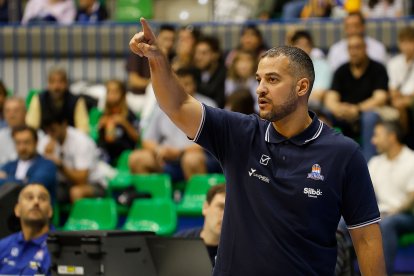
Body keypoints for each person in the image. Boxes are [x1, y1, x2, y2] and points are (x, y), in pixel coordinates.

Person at [129, 18, 385, 275]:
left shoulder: (343, 153)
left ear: (302, 87)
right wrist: (158, 61)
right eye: (259, 79)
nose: (260, 89)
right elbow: (178, 105)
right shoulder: (240, 134)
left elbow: (366, 238)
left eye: (272, 80)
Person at [128, 67, 219, 182]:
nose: (182, 87)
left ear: (195, 85)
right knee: (137, 158)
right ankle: (153, 198)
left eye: (187, 84)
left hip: (201, 158)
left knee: (191, 159)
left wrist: (180, 153)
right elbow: (147, 140)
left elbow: (211, 141)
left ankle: (197, 198)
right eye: (178, 83)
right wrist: (159, 150)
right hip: (167, 160)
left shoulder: (208, 105)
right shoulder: (162, 105)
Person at [325, 34, 388, 161]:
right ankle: (330, 160)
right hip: (344, 114)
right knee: (324, 114)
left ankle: (369, 164)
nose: (354, 52)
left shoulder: (377, 68)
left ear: (365, 48)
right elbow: (330, 97)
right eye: (350, 48)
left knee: (370, 117)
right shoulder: (341, 70)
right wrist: (338, 108)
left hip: (366, 113)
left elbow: (380, 98)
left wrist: (357, 109)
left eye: (357, 48)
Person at [369, 120, 414, 275]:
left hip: (405, 215)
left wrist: (391, 212)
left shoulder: (411, 160)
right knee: (342, 222)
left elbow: (411, 198)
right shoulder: (375, 162)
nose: (372, 141)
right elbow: (364, 193)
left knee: (386, 224)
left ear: (392, 137)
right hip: (379, 214)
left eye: (377, 135)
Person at [38, 115, 106, 203]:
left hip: (93, 183)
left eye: (53, 129)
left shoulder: (81, 141)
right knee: (42, 191)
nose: (51, 134)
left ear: (64, 124)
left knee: (76, 192)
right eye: (47, 131)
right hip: (65, 184)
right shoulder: (46, 141)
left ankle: (78, 217)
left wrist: (60, 166)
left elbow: (82, 179)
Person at [0, 184, 52, 275]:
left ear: (50, 211)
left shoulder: (61, 249)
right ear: (17, 209)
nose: (36, 202)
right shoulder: (3, 246)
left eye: (42, 198)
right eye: (29, 197)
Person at [0, 125, 57, 203]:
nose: (22, 147)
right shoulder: (9, 165)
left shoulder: (47, 164)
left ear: (36, 142)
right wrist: (24, 180)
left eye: (26, 142)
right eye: (18, 143)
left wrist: (6, 178)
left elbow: (32, 186)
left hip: (37, 209)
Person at [26, 66, 89, 133]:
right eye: (52, 82)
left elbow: (83, 129)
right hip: (44, 139)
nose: (56, 86)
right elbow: (31, 126)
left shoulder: (77, 101)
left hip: (70, 139)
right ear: (48, 84)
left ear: (66, 83)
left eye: (60, 82)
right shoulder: (38, 99)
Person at [175, 184, 226, 266]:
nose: (225, 216)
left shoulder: (241, 254)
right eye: (221, 207)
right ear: (205, 207)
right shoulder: (179, 243)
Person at [98, 80, 140, 165]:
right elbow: (99, 139)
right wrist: (100, 126)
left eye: (115, 92)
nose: (111, 95)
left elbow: (138, 138)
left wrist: (125, 123)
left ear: (123, 94)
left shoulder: (129, 115)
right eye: (109, 92)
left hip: (124, 154)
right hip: (106, 153)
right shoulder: (104, 114)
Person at [290, 30, 332, 110]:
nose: (302, 49)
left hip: (315, 109)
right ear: (292, 47)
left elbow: (318, 95)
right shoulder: (285, 66)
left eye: (306, 45)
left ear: (311, 47)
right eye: (299, 45)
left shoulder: (323, 65)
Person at [387, 26, 414, 137]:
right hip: (398, 100)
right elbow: (392, 88)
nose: (407, 46)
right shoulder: (393, 62)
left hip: (410, 100)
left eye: (410, 41)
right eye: (403, 42)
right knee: (398, 104)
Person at [194, 35, 227, 108]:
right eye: (197, 52)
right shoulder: (193, 73)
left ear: (216, 55)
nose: (198, 57)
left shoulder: (225, 75)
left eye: (204, 53)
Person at [0, 97, 27, 166]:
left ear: (25, 113)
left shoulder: (38, 136)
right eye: (7, 111)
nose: (11, 115)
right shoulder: (1, 136)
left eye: (16, 111)